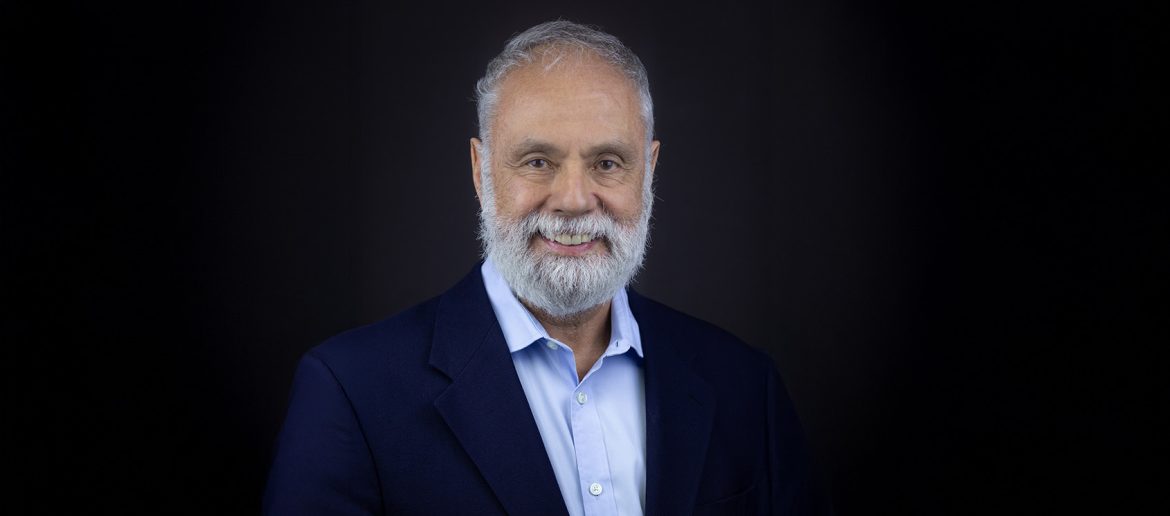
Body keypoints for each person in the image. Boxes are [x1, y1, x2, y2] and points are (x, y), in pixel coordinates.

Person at [263, 20, 827, 516]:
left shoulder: (745, 388)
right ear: (481, 171)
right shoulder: (350, 394)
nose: (575, 200)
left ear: (648, 170)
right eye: (538, 162)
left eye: (608, 162)